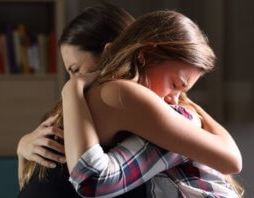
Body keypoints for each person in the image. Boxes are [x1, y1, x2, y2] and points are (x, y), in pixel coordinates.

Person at [62, 10, 244, 197]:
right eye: (175, 85)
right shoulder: (121, 94)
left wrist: (71, 90)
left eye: (183, 92)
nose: (175, 99)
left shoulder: (170, 113)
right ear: (146, 54)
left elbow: (233, 161)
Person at [17, 3, 145, 198]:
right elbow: (26, 183)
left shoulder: (113, 102)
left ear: (109, 54)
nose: (73, 80)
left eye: (75, 70)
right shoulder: (75, 109)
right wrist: (22, 150)